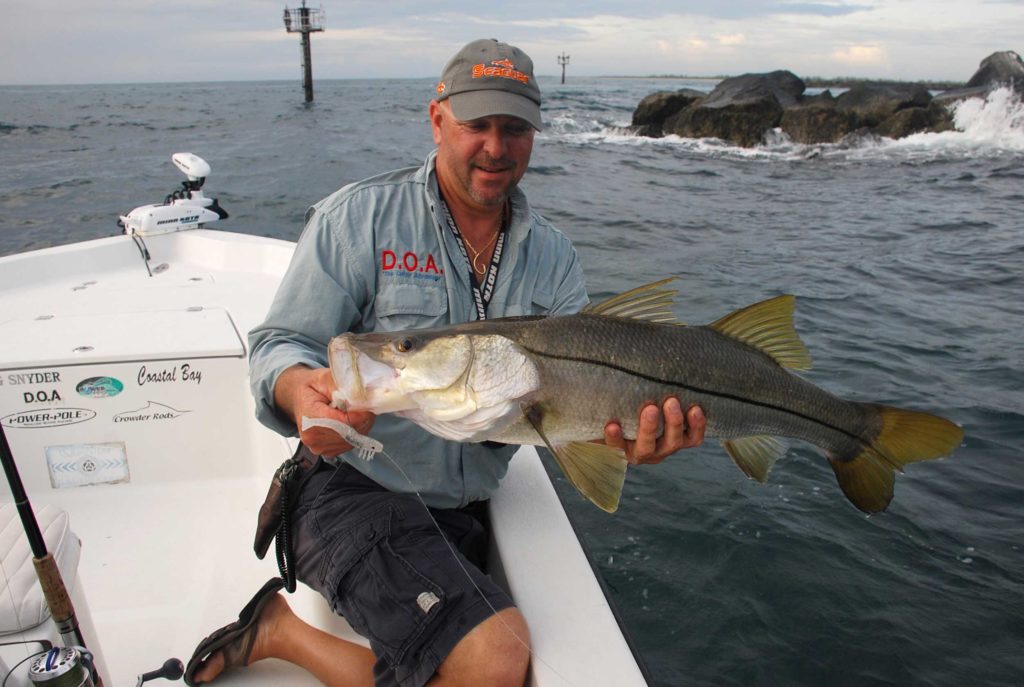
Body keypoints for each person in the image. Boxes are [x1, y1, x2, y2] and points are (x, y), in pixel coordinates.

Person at [185, 38, 706, 687]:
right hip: (348, 489)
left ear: (535, 134)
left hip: (462, 509)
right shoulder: (360, 218)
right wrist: (302, 394)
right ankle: (278, 630)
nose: (496, 147)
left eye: (514, 127)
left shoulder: (555, 258)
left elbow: (579, 412)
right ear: (438, 120)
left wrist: (632, 441)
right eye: (477, 125)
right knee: (496, 660)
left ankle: (280, 629)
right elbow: (280, 344)